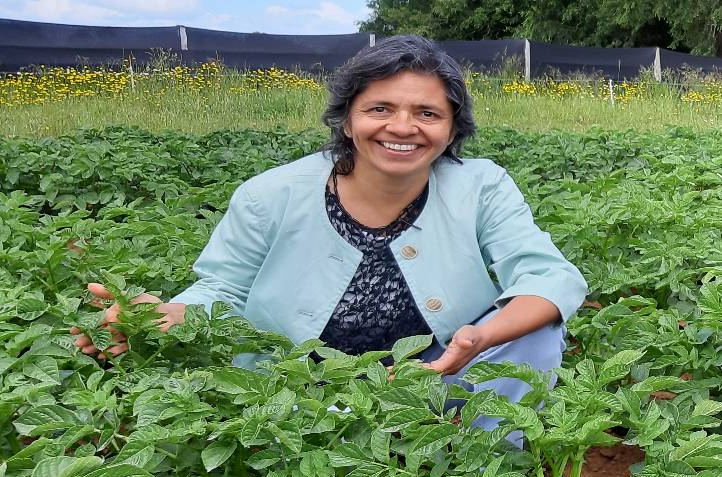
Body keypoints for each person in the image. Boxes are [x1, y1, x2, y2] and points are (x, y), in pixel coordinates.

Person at [71, 35, 587, 436]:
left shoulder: (481, 184)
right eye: (380, 109)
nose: (402, 127)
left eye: (427, 113)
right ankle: (339, 440)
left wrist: (478, 338)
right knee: (310, 428)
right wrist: (165, 314)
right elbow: (220, 290)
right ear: (346, 120)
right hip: (305, 390)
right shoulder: (269, 195)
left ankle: (488, 457)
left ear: (452, 130)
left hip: (438, 377)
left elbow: (548, 275)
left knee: (534, 331)